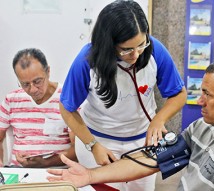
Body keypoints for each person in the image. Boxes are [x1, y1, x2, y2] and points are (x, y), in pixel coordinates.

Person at [47, 58, 214, 190]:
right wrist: (90, 175)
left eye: (207, 95)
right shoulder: (205, 127)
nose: (199, 101)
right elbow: (155, 157)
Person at [58, 0, 187, 190]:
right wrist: (93, 145)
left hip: (142, 141)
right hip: (100, 141)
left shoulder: (155, 50)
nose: (135, 54)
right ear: (109, 42)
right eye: (127, 49)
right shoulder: (88, 60)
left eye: (141, 45)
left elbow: (179, 94)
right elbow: (66, 108)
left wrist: (159, 119)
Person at [0, 48, 77, 168]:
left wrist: (46, 162)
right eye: (25, 84)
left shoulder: (67, 98)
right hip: (19, 172)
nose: (33, 90)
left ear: (48, 72)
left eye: (37, 81)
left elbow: (78, 150)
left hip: (58, 171)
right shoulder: (11, 100)